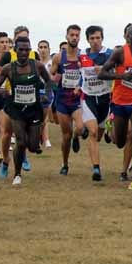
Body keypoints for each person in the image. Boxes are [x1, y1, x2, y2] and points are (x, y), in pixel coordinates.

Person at [99, 23, 132, 192]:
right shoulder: (120, 53)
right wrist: (121, 75)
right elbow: (102, 73)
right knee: (120, 142)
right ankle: (111, 130)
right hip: (120, 102)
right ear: (127, 37)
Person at [0, 37, 54, 187]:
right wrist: (3, 93)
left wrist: (46, 93)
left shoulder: (37, 66)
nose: (24, 52)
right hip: (16, 109)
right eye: (21, 49)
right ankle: (17, 174)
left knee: (32, 145)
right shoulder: (9, 68)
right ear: (15, 50)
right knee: (20, 141)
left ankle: (30, 142)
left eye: (27, 49)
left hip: (34, 109)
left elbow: (49, 81)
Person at [79, 25, 114, 181]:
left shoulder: (109, 54)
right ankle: (96, 169)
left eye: (98, 38)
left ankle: (82, 134)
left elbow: (117, 73)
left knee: (98, 135)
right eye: (92, 38)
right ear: (87, 40)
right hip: (88, 98)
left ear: (102, 38)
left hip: (105, 98)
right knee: (93, 133)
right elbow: (77, 75)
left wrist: (105, 72)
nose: (95, 41)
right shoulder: (82, 56)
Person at [50, 24, 86, 175]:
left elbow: (87, 75)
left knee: (80, 128)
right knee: (66, 136)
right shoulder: (59, 57)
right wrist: (55, 78)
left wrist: (81, 86)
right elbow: (51, 75)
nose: (74, 37)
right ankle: (65, 164)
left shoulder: (83, 56)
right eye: (72, 35)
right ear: (66, 36)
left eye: (77, 35)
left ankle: (77, 138)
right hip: (62, 101)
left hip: (77, 100)